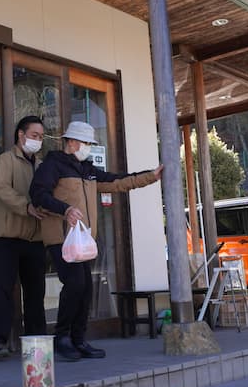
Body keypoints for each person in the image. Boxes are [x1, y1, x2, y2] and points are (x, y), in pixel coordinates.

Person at [30, 121, 163, 361]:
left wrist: (150, 177)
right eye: (86, 143)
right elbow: (39, 194)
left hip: (83, 240)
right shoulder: (52, 165)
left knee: (86, 288)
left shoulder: (87, 170)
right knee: (75, 284)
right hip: (61, 237)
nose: (88, 148)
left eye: (90, 144)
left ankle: (79, 340)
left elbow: (117, 181)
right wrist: (65, 209)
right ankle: (62, 338)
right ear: (71, 142)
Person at [0, 115, 48, 359]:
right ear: (21, 135)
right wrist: (28, 206)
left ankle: (37, 341)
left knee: (35, 292)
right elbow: (1, 190)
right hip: (8, 237)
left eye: (41, 137)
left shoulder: (41, 165)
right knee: (2, 289)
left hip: (35, 238)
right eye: (34, 135)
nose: (38, 140)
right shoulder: (5, 160)